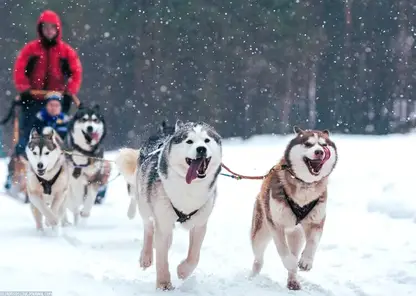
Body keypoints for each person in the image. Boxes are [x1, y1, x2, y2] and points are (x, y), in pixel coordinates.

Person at [5, 10, 82, 190]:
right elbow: (20, 70)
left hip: (57, 98)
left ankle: (72, 169)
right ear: (40, 29)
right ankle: (16, 171)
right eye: (45, 28)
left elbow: (76, 72)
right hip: (33, 98)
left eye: (52, 28)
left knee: (63, 133)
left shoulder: (66, 51)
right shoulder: (31, 50)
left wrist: (70, 91)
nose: (49, 31)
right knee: (27, 133)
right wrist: (24, 89)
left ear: (57, 29)